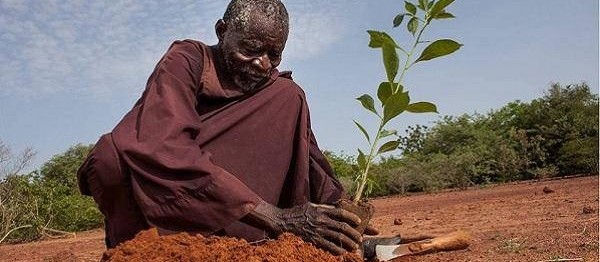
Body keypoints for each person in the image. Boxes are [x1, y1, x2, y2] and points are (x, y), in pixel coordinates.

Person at [78, 0, 398, 257]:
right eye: (251, 49)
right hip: (161, 198)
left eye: (274, 54)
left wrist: (340, 209)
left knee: (289, 95)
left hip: (228, 205)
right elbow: (163, 144)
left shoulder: (277, 91)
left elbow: (308, 157)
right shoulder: (187, 60)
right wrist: (276, 216)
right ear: (222, 31)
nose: (262, 64)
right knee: (112, 156)